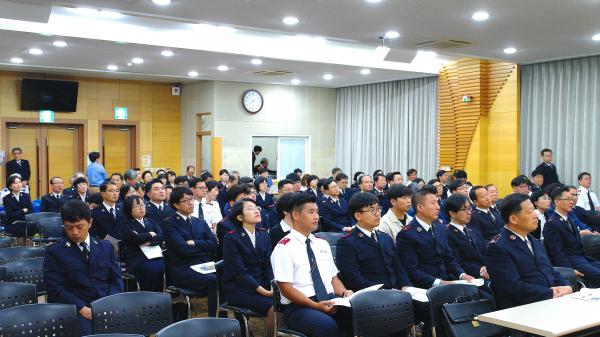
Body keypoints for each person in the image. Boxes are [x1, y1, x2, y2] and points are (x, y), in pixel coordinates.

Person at [336, 192, 432, 337]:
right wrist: (388, 291)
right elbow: (353, 278)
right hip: (373, 298)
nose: (377, 214)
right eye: (372, 210)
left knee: (432, 307)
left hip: (397, 294)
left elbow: (398, 267)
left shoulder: (385, 238)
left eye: (378, 209)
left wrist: (405, 286)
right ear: (358, 215)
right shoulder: (348, 242)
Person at [271, 194, 353, 337]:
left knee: (361, 314)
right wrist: (315, 306)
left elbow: (333, 278)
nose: (316, 217)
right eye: (311, 212)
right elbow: (286, 289)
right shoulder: (284, 247)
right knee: (326, 325)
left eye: (317, 212)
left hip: (328, 298)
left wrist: (345, 293)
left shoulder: (322, 243)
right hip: (299, 306)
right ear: (295, 215)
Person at [43, 199, 123, 336]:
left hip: (106, 305)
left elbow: (116, 280)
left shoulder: (106, 247)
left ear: (90, 223)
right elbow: (55, 289)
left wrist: (111, 304)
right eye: (69, 227)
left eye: (79, 227)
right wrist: (81, 308)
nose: (74, 232)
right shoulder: (55, 252)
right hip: (76, 309)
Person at [485, 193, 573, 309]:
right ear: (513, 219)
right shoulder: (498, 247)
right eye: (529, 212)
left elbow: (551, 273)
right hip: (523, 309)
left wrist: (568, 287)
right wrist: (551, 293)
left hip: (549, 302)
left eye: (534, 210)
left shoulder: (534, 241)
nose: (535, 215)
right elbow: (512, 288)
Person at [396, 188, 475, 289]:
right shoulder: (407, 234)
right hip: (426, 285)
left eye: (437, 203)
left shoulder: (440, 228)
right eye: (433, 203)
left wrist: (462, 275)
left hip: (447, 279)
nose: (438, 207)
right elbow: (411, 270)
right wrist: (440, 283)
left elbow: (448, 258)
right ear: (420, 207)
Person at [162, 186, 218, 317]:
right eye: (186, 200)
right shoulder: (169, 224)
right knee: (215, 281)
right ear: (176, 204)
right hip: (184, 270)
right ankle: (215, 322)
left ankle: (232, 324)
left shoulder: (200, 222)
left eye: (191, 199)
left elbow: (214, 245)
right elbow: (183, 250)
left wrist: (195, 243)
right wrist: (204, 248)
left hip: (205, 265)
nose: (191, 203)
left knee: (228, 276)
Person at [222, 199, 276, 335]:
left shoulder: (263, 234)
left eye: (256, 207)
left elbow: (268, 265)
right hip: (239, 288)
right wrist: (264, 292)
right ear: (240, 217)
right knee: (275, 307)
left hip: (262, 283)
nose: (257, 211)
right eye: (250, 209)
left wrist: (271, 286)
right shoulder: (231, 238)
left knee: (289, 303)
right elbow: (239, 272)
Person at [543, 187, 600, 288]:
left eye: (572, 199)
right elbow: (557, 252)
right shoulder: (552, 224)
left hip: (583, 257)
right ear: (557, 202)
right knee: (597, 275)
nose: (572, 202)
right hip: (572, 260)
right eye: (568, 199)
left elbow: (579, 245)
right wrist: (569, 270)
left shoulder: (570, 220)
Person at [444, 194, 492, 294]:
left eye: (469, 209)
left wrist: (488, 267)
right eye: (464, 209)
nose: (469, 213)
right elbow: (457, 261)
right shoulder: (447, 234)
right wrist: (481, 271)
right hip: (468, 277)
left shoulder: (474, 232)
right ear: (452, 213)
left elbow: (486, 253)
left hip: (486, 273)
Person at [119, 195, 164, 292]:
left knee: (169, 266)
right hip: (138, 259)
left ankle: (166, 296)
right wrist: (150, 234)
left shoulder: (151, 221)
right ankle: (151, 297)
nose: (141, 207)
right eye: (137, 206)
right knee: (154, 271)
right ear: (129, 209)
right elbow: (134, 239)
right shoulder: (124, 224)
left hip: (156, 255)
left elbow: (162, 236)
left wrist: (148, 241)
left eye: (142, 204)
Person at [216, 185, 250, 259]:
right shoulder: (224, 225)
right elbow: (230, 254)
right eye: (243, 200)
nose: (248, 204)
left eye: (247, 200)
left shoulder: (253, 220)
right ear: (232, 203)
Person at [3, 175, 34, 246]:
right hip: (12, 223)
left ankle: (31, 252)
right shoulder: (7, 199)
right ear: (10, 186)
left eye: (19, 182)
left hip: (25, 222)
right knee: (22, 231)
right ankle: (23, 252)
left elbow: (31, 211)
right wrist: (23, 211)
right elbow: (10, 215)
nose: (19, 185)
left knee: (31, 229)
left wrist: (18, 213)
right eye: (15, 183)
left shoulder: (26, 196)